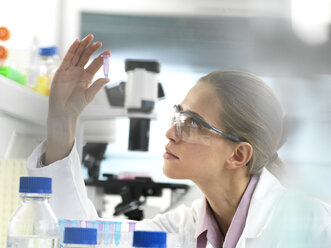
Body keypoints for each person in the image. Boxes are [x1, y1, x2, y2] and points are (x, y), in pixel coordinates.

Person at [27, 34, 331, 248]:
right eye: (178, 115)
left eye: (192, 124)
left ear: (238, 155)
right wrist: (62, 121)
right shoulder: (182, 228)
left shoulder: (312, 226)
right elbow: (82, 239)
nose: (171, 133)